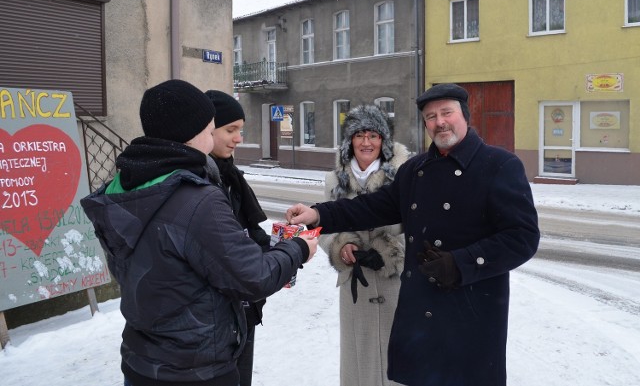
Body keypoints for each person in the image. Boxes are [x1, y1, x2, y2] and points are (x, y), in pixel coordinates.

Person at [286, 83, 539, 386]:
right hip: (421, 311)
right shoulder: (416, 169)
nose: (439, 122)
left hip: (472, 311)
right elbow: (372, 207)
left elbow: (522, 236)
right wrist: (318, 214)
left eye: (447, 112)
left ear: (465, 116)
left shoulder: (499, 165)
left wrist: (461, 264)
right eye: (430, 117)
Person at [80, 79, 318, 386]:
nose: (218, 134)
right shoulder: (197, 198)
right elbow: (253, 276)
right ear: (192, 133)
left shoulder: (128, 185)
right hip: (196, 368)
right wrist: (299, 248)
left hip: (143, 361)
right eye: (211, 128)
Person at [322, 104, 409, 386]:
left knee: (397, 356)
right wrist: (340, 245)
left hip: (395, 283)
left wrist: (390, 251)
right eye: (359, 135)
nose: (366, 142)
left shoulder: (402, 176)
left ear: (383, 141)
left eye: (373, 135)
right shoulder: (335, 180)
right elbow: (324, 226)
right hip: (355, 285)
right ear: (350, 141)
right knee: (359, 358)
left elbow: (419, 227)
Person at [205, 89, 269, 386]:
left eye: (241, 130)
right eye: (231, 130)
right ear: (207, 130)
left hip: (245, 307)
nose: (238, 138)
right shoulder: (201, 183)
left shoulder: (230, 176)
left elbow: (249, 229)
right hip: (216, 318)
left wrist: (272, 252)